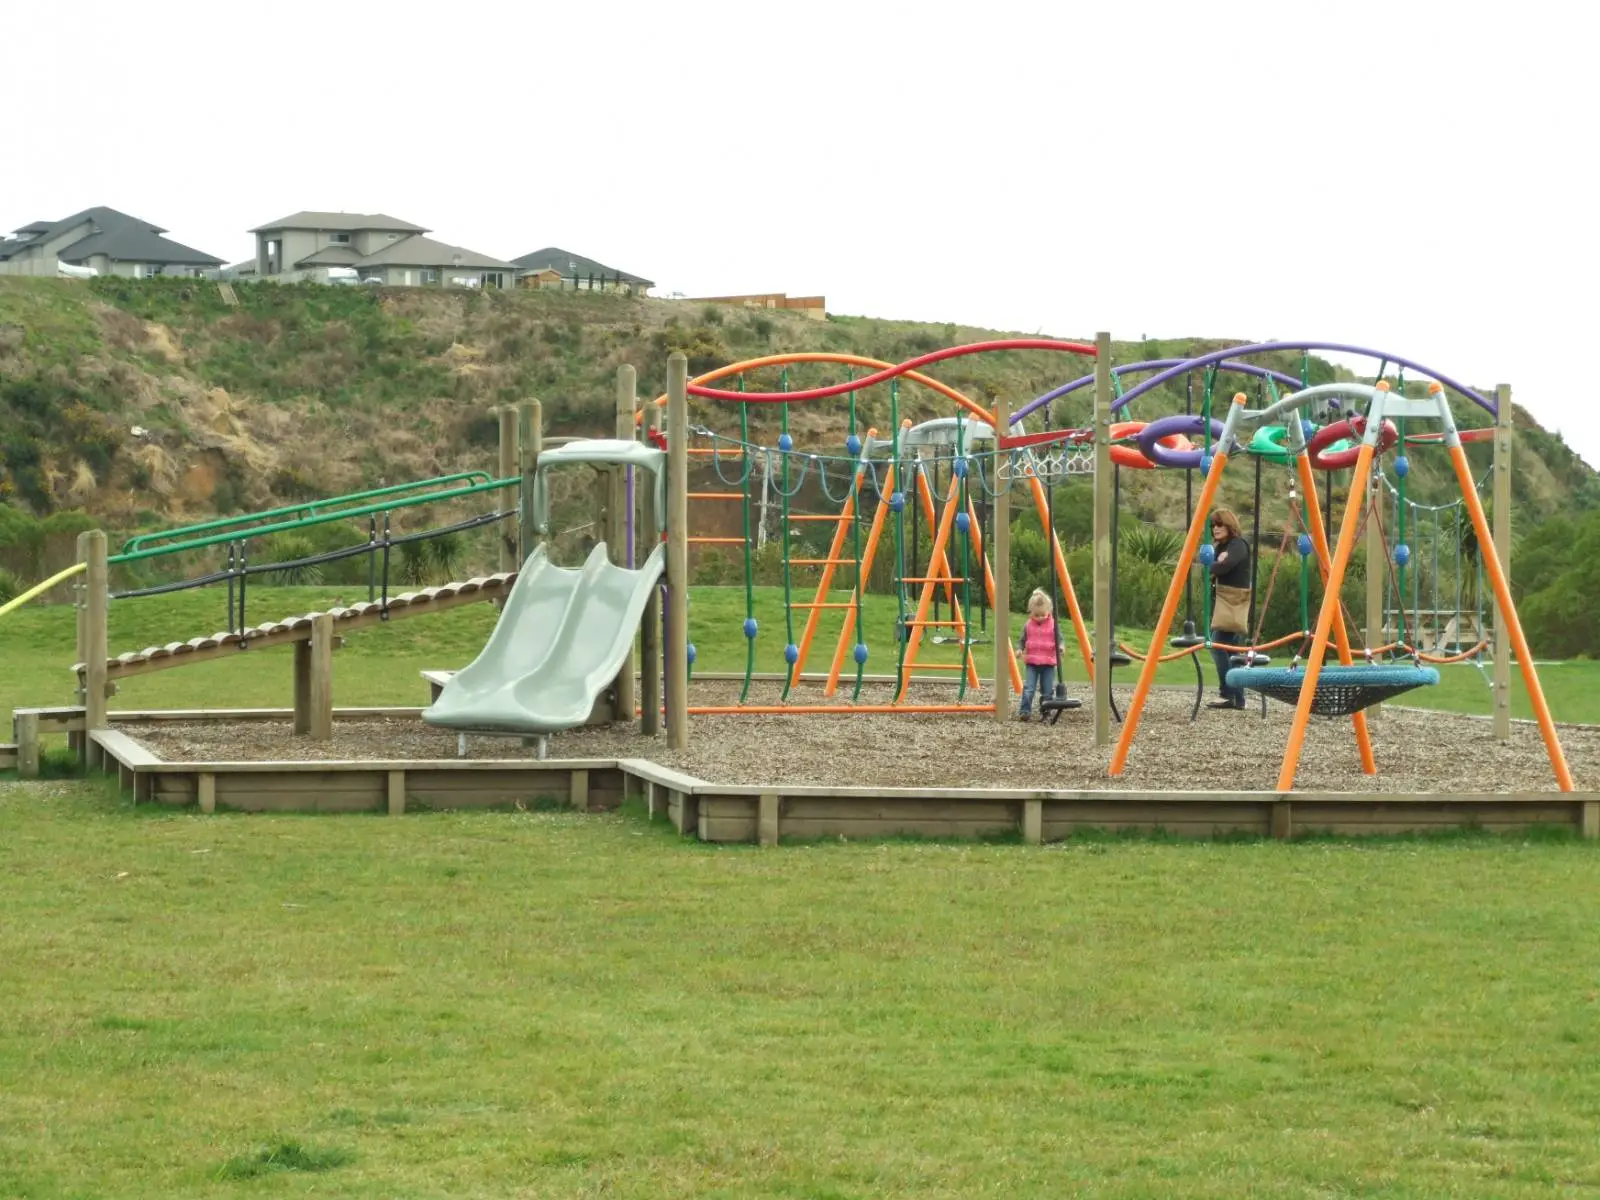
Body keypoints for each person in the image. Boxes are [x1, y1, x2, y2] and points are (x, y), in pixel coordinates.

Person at [1206, 508, 1253, 709]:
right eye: (1213, 526)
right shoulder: (1222, 547)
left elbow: (1224, 566)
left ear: (1229, 525)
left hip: (1232, 602)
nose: (1215, 529)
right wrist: (1218, 561)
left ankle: (1227, 693)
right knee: (1230, 651)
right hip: (1226, 602)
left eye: (1219, 524)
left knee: (1218, 646)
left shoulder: (1238, 545)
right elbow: (1215, 565)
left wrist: (1215, 563)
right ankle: (1237, 698)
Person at [1017, 587, 1065, 722]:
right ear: (1030, 612)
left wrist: (1061, 647)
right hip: (1032, 662)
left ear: (1048, 611)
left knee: (1047, 690)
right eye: (1035, 615)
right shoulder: (1028, 625)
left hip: (1048, 662)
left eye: (1042, 615)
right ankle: (1025, 711)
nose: (1039, 618)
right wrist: (1019, 649)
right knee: (1029, 688)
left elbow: (1060, 639)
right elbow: (1022, 640)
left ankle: (1046, 712)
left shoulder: (1053, 625)